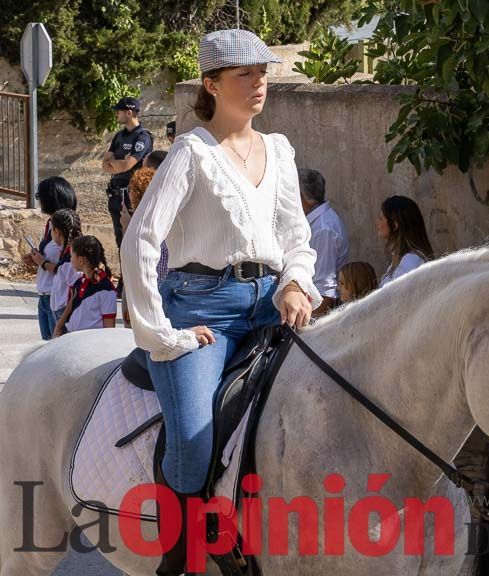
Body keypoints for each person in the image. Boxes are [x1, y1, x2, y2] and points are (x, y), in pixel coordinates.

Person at [120, 28, 321, 574]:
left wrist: (297, 282)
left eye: (263, 73)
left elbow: (296, 236)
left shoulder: (278, 150)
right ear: (211, 83)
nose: (259, 83)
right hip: (200, 309)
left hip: (270, 304)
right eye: (244, 75)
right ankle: (180, 560)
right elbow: (141, 239)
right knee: (192, 440)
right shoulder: (191, 151)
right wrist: (161, 333)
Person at [25, 177, 78, 340]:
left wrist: (43, 262)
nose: (39, 201)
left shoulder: (67, 227)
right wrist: (35, 260)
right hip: (44, 294)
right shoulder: (50, 224)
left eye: (39, 197)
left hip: (57, 297)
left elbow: (68, 269)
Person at [101, 96, 153, 250]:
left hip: (132, 195)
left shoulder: (143, 137)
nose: (116, 114)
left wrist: (116, 162)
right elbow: (104, 165)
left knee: (134, 240)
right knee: (120, 240)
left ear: (129, 112)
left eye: (119, 111)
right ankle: (124, 274)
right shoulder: (119, 136)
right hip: (115, 195)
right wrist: (118, 162)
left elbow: (127, 164)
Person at [298, 168, 349, 316]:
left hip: (314, 316)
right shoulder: (316, 223)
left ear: (303, 197)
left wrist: (308, 330)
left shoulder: (323, 229)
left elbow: (325, 290)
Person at [53, 236, 117, 335]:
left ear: (81, 260)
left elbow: (109, 329)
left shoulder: (106, 289)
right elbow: (72, 303)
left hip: (90, 345)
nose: (70, 260)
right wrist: (59, 325)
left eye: (72, 256)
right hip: (73, 340)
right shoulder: (79, 282)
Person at [376, 194, 435, 287]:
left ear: (395, 225)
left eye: (381, 218)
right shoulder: (400, 260)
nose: (377, 222)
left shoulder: (412, 260)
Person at [47, 209, 83, 338]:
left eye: (51, 230)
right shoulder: (68, 253)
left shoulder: (72, 260)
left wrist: (61, 322)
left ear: (57, 231)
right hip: (60, 313)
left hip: (65, 315)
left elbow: (76, 293)